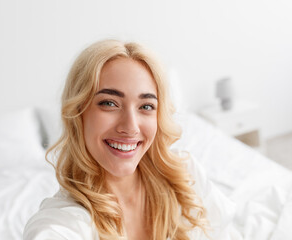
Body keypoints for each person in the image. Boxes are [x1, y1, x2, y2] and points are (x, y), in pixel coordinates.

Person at [23, 40, 239, 240]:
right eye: (109, 103)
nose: (130, 127)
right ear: (79, 112)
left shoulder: (185, 175)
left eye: (146, 106)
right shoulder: (65, 221)